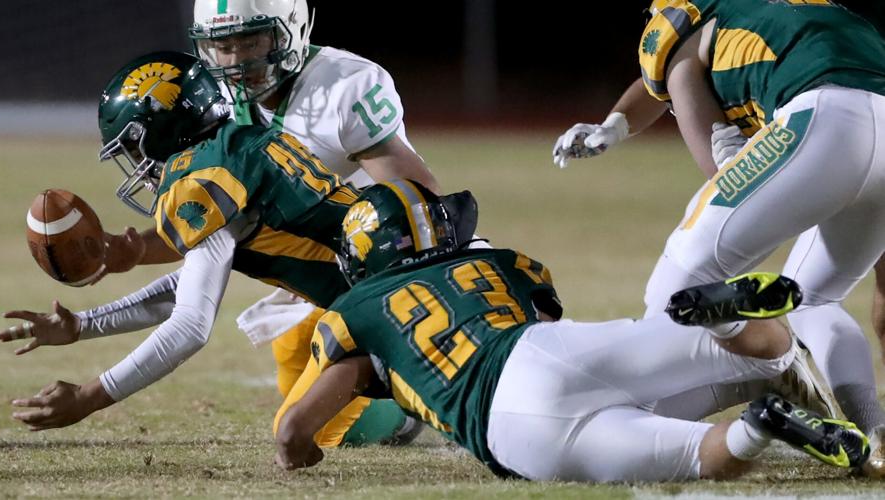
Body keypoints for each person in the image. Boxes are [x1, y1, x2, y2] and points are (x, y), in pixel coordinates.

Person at [272, 179, 870, 481]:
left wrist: (302, 455)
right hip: (542, 350)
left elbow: (297, 428)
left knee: (705, 459)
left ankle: (759, 428)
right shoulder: (494, 261)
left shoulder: (357, 310)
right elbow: (549, 321)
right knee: (771, 354)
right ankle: (727, 317)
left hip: (511, 435)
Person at [0, 51, 419, 445]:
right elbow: (188, 288)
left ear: (156, 133)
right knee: (296, 344)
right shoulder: (236, 144)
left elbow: (189, 326)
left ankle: (414, 399)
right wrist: (82, 326)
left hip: (392, 303)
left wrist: (91, 396)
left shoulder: (200, 182)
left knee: (301, 430)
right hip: (391, 277)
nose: (136, 164)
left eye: (131, 148)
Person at [93, 0, 446, 439]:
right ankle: (400, 405)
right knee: (297, 362)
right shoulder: (215, 100)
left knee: (310, 427)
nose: (237, 60)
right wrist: (132, 251)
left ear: (291, 31)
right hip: (311, 273)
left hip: (380, 269)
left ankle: (419, 387)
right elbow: (211, 222)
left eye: (250, 41)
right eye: (223, 45)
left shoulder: (342, 85)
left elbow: (419, 198)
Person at [571, 0, 885, 477]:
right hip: (866, 117)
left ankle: (646, 416)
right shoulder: (801, 11)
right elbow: (658, 88)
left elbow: (694, 118)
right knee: (814, 299)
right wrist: (614, 125)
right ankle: (875, 436)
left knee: (682, 277)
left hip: (826, 117)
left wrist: (728, 159)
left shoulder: (685, 19)